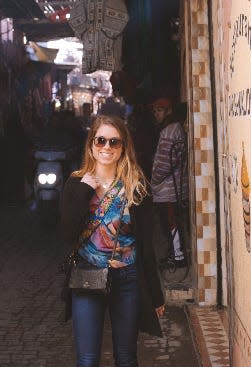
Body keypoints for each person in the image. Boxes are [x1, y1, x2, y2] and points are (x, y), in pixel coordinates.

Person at [61, 114, 165, 367]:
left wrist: (156, 294)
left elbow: (146, 245)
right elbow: (66, 233)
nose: (106, 147)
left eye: (114, 142)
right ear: (91, 145)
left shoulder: (136, 186)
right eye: (101, 141)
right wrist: (86, 190)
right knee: (87, 360)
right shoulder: (76, 183)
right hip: (87, 276)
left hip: (127, 279)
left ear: (123, 147)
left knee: (127, 357)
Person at [150, 98, 189, 267]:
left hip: (168, 189)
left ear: (169, 112)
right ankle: (175, 255)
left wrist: (154, 180)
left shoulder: (169, 132)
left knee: (171, 223)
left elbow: (165, 163)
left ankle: (178, 258)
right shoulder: (175, 129)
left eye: (159, 110)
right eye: (155, 111)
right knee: (172, 223)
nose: (156, 114)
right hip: (172, 187)